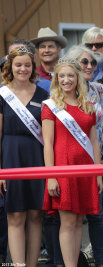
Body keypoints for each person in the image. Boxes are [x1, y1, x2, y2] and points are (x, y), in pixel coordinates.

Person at [42, 58, 102, 267]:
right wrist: (51, 176)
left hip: (86, 169)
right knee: (67, 222)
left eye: (71, 76)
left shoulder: (88, 106)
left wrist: (98, 173)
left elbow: (94, 142)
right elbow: (47, 143)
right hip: (63, 168)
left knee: (78, 222)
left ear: (78, 78)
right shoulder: (51, 106)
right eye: (62, 76)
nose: (66, 80)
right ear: (56, 79)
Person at [66, 45, 103, 267]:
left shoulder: (99, 89)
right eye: (84, 62)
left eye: (93, 62)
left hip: (97, 156)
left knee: (97, 212)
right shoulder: (65, 89)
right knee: (72, 215)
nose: (89, 66)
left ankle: (101, 260)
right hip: (72, 159)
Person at [0, 46, 48, 267]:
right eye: (18, 64)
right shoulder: (2, 94)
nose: (23, 69)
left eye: (27, 64)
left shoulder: (43, 94)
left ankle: (32, 264)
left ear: (33, 66)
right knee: (16, 215)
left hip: (36, 156)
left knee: (36, 214)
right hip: (10, 157)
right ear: (11, 66)